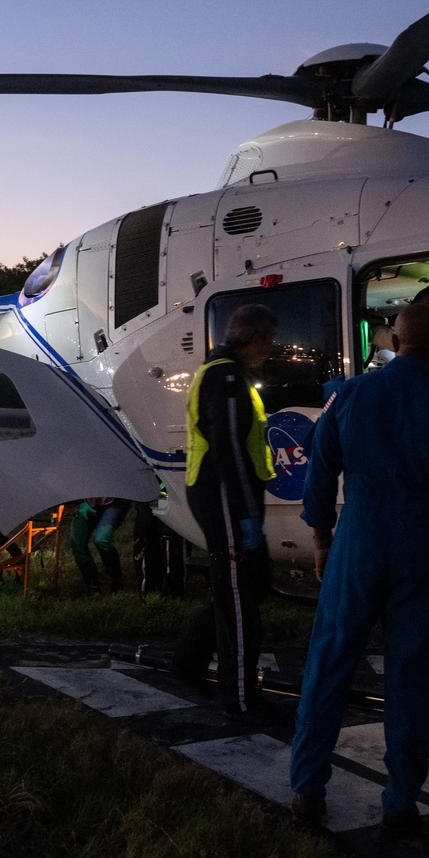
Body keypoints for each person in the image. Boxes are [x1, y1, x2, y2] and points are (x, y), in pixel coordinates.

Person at [286, 304, 429, 833]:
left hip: (359, 539)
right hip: (420, 548)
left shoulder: (352, 394)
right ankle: (400, 800)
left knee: (329, 660)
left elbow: (320, 466)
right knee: (414, 675)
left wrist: (322, 538)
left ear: (393, 340)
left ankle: (308, 788)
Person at [174, 303, 278, 717]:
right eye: (269, 342)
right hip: (222, 496)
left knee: (249, 584)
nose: (271, 350)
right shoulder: (226, 376)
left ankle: (188, 661)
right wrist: (247, 512)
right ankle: (238, 697)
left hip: (224, 495)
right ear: (253, 339)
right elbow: (230, 449)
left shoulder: (225, 371)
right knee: (239, 597)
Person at [67, 496, 129, 594]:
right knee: (77, 541)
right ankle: (92, 584)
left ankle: (116, 580)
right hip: (86, 501)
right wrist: (79, 503)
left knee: (102, 539)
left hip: (114, 501)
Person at [132, 498, 189, 597]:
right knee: (148, 544)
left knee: (171, 547)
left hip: (172, 503)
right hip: (148, 504)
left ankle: (173, 588)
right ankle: (152, 587)